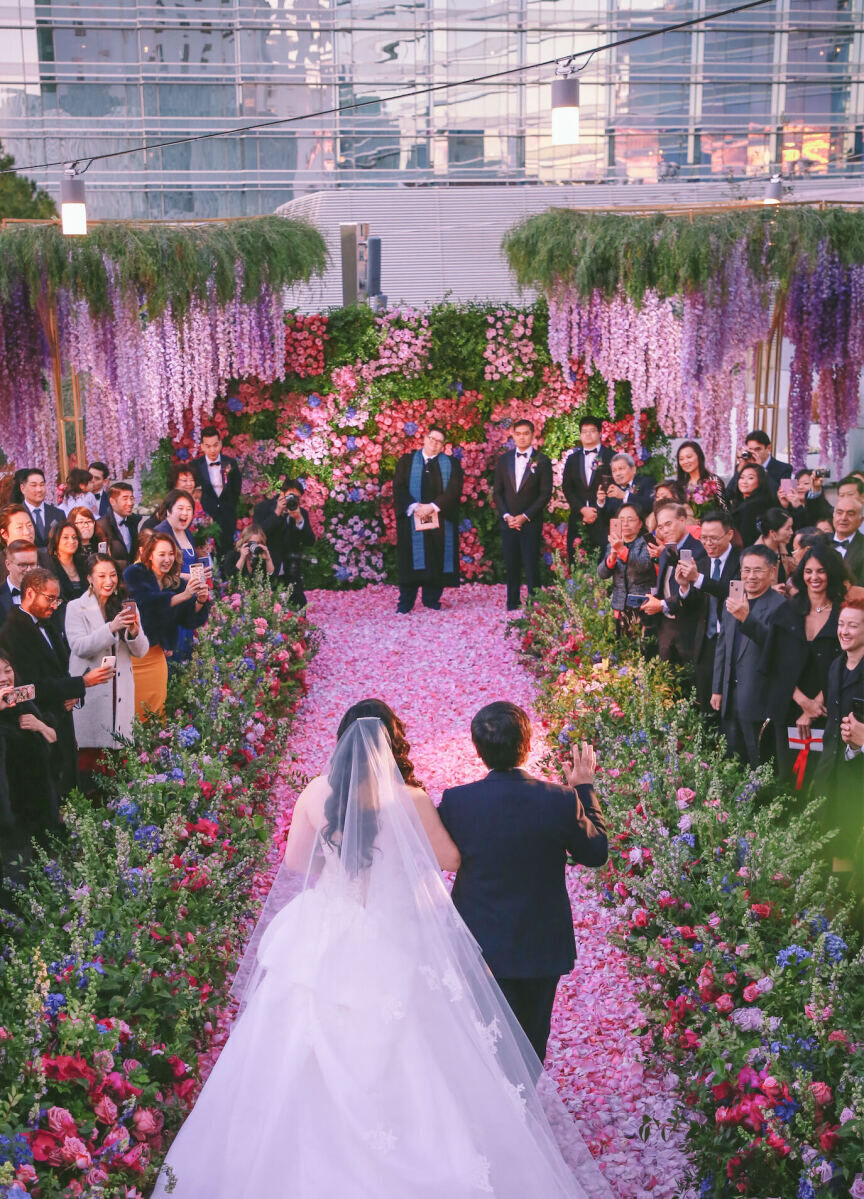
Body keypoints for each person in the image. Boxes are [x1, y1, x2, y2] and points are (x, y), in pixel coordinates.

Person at [152, 705, 613, 1199]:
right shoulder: (409, 798)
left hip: (328, 930)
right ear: (393, 743)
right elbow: (450, 859)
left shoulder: (315, 790)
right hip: (396, 933)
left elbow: (293, 860)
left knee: (293, 1041)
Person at [439, 702, 607, 1066]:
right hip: (540, 943)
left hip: (478, 943)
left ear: (478, 750)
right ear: (529, 745)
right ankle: (522, 1111)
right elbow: (595, 853)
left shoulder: (457, 802)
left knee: (485, 1041)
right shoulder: (560, 799)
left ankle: (491, 1112)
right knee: (531, 1041)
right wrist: (584, 791)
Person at [0, 568, 114, 797]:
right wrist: (81, 683)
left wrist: (72, 694)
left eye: (57, 599)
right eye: (50, 598)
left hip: (61, 719)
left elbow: (59, 672)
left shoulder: (49, 625)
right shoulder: (11, 633)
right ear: (30, 593)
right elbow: (24, 690)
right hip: (36, 727)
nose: (55, 605)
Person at [711, 545, 789, 768]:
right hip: (730, 695)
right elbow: (722, 646)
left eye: (758, 570)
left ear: (772, 572)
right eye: (746, 571)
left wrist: (747, 618)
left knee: (758, 761)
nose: (751, 577)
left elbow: (777, 647)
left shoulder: (780, 606)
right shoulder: (734, 600)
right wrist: (718, 688)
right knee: (732, 760)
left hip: (759, 698)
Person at [65, 554, 149, 756]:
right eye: (101, 576)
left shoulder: (125, 605)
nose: (109, 581)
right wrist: (111, 628)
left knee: (120, 760)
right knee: (92, 760)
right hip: (92, 689)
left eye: (113, 575)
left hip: (120, 690)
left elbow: (141, 651)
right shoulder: (75, 607)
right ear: (89, 578)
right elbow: (79, 647)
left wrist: (134, 632)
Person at [812, 597, 864, 914]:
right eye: (841, 624)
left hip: (857, 777)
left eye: (853, 625)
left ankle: (846, 908)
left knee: (848, 839)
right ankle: (830, 904)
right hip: (830, 768)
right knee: (828, 835)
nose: (844, 631)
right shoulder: (835, 665)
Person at [779, 544, 847, 782]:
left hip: (830, 705)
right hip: (790, 703)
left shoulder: (843, 612)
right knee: (790, 775)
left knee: (822, 775)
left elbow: (846, 660)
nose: (814, 577)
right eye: (808, 571)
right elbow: (775, 660)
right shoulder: (788, 609)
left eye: (821, 571)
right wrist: (801, 701)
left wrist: (814, 706)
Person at [123, 534, 210, 718]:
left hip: (156, 655)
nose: (167, 559)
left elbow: (186, 618)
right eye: (161, 554)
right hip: (133, 654)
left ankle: (153, 745)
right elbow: (145, 604)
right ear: (149, 555)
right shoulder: (134, 573)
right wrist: (185, 595)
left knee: (156, 707)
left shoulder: (174, 581)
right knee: (132, 708)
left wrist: (200, 601)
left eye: (171, 554)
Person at [0, 651, 60, 879]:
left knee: (44, 875)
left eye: (8, 670)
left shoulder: (23, 702)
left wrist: (40, 726)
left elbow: (54, 738)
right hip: (9, 817)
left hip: (38, 806)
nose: (5, 677)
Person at [674, 509, 741, 715]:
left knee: (730, 707)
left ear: (729, 535)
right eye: (704, 538)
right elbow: (694, 607)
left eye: (714, 538)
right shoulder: (701, 563)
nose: (708, 543)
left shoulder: (741, 561)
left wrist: (698, 580)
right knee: (706, 707)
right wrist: (684, 587)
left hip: (733, 641)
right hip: (705, 643)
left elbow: (730, 591)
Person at [393, 426, 464, 614]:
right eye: (432, 438)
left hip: (439, 519)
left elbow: (454, 490)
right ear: (424, 438)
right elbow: (398, 487)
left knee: (436, 557)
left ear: (443, 446)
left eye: (439, 441)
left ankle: (431, 599)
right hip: (412, 520)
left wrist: (432, 506)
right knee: (410, 559)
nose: (435, 443)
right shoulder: (407, 462)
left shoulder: (451, 464)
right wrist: (415, 506)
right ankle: (406, 602)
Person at [492, 420, 553, 611]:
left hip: (530, 521)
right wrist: (507, 516)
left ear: (533, 435)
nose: (522, 437)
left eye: (526, 433)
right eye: (518, 433)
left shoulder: (542, 461)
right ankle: (512, 602)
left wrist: (525, 516)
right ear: (513, 435)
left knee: (530, 562)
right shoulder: (504, 460)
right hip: (509, 522)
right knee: (511, 563)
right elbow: (498, 492)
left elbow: (545, 494)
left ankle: (534, 603)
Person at [640, 503, 708, 664]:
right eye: (661, 527)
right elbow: (663, 586)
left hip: (688, 628)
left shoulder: (699, 551)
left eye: (668, 524)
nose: (665, 530)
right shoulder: (666, 552)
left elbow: (697, 592)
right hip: (665, 628)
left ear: (683, 520)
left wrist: (663, 604)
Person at [253, 478, 315, 605]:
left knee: (299, 610)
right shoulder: (263, 508)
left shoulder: (301, 513)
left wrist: (299, 520)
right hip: (268, 567)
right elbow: (259, 535)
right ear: (282, 494)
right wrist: (277, 513)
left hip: (291, 570)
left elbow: (310, 541)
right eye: (290, 496)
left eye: (297, 497)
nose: (293, 500)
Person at [596, 503, 655, 636]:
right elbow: (601, 573)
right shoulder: (614, 543)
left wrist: (622, 550)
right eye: (622, 520)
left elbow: (644, 565)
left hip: (643, 607)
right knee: (622, 648)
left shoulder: (646, 542)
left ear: (640, 523)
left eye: (631, 520)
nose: (626, 523)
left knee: (642, 648)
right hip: (620, 605)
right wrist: (611, 558)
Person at [561, 416, 614, 561]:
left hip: (603, 519)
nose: (588, 434)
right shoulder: (572, 459)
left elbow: (616, 487)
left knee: (603, 565)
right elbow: (567, 488)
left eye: (592, 431)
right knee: (576, 563)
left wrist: (599, 507)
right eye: (584, 431)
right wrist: (583, 509)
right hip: (578, 518)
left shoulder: (611, 457)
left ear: (600, 433)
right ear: (580, 435)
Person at [192, 425, 242, 558]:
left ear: (220, 444)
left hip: (227, 517)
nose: (212, 450)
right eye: (208, 446)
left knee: (228, 555)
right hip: (205, 520)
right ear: (202, 446)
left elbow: (236, 489)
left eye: (215, 445)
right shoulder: (195, 466)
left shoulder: (230, 463)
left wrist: (230, 507)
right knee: (206, 556)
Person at [725, 429, 792, 498]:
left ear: (768, 448)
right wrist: (740, 469)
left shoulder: (786, 468)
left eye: (757, 449)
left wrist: (762, 470)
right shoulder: (742, 467)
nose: (754, 453)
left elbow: (787, 497)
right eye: (750, 449)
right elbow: (728, 494)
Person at [727, 463, 776, 548]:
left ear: (760, 481)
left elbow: (747, 538)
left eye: (750, 478)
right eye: (741, 477)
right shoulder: (741, 503)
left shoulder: (752, 506)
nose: (744, 482)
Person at [153, 489, 198, 577]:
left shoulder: (187, 532)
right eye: (180, 508)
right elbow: (157, 570)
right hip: (171, 588)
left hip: (191, 587)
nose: (185, 513)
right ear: (168, 511)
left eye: (189, 509)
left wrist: (200, 573)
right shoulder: (160, 532)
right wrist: (188, 577)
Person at [596, 453, 655, 520]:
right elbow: (605, 519)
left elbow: (650, 505)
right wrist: (601, 503)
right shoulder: (612, 489)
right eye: (614, 471)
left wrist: (625, 496)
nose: (617, 474)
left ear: (633, 470)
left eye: (621, 469)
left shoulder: (646, 482)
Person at [46, 522, 89, 613]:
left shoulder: (84, 563)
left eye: (74, 537)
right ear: (56, 540)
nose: (72, 541)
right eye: (66, 537)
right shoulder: (49, 566)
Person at [676, 440, 726, 516]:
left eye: (689, 457)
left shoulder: (713, 481)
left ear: (699, 456)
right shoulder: (681, 485)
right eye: (681, 459)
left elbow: (725, 508)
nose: (685, 461)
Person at [17, 469, 64, 549]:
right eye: (34, 485)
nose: (39, 490)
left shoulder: (58, 514)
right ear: (22, 488)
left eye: (42, 485)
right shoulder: (16, 514)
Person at [101, 483, 140, 570]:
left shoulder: (133, 521)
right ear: (112, 501)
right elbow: (101, 559)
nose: (130, 503)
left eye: (132, 498)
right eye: (125, 499)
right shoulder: (102, 525)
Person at [0, 540, 39, 626]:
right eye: (22, 565)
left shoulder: (46, 593)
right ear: (8, 565)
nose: (29, 570)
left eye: (32, 564)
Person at [755, 508, 795, 582]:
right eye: (788, 529)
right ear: (773, 533)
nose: (791, 532)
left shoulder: (784, 549)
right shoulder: (755, 555)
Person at [831, 496, 864, 584]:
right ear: (833, 516)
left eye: (851, 514)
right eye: (839, 512)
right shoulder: (820, 541)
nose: (843, 518)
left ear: (861, 520)